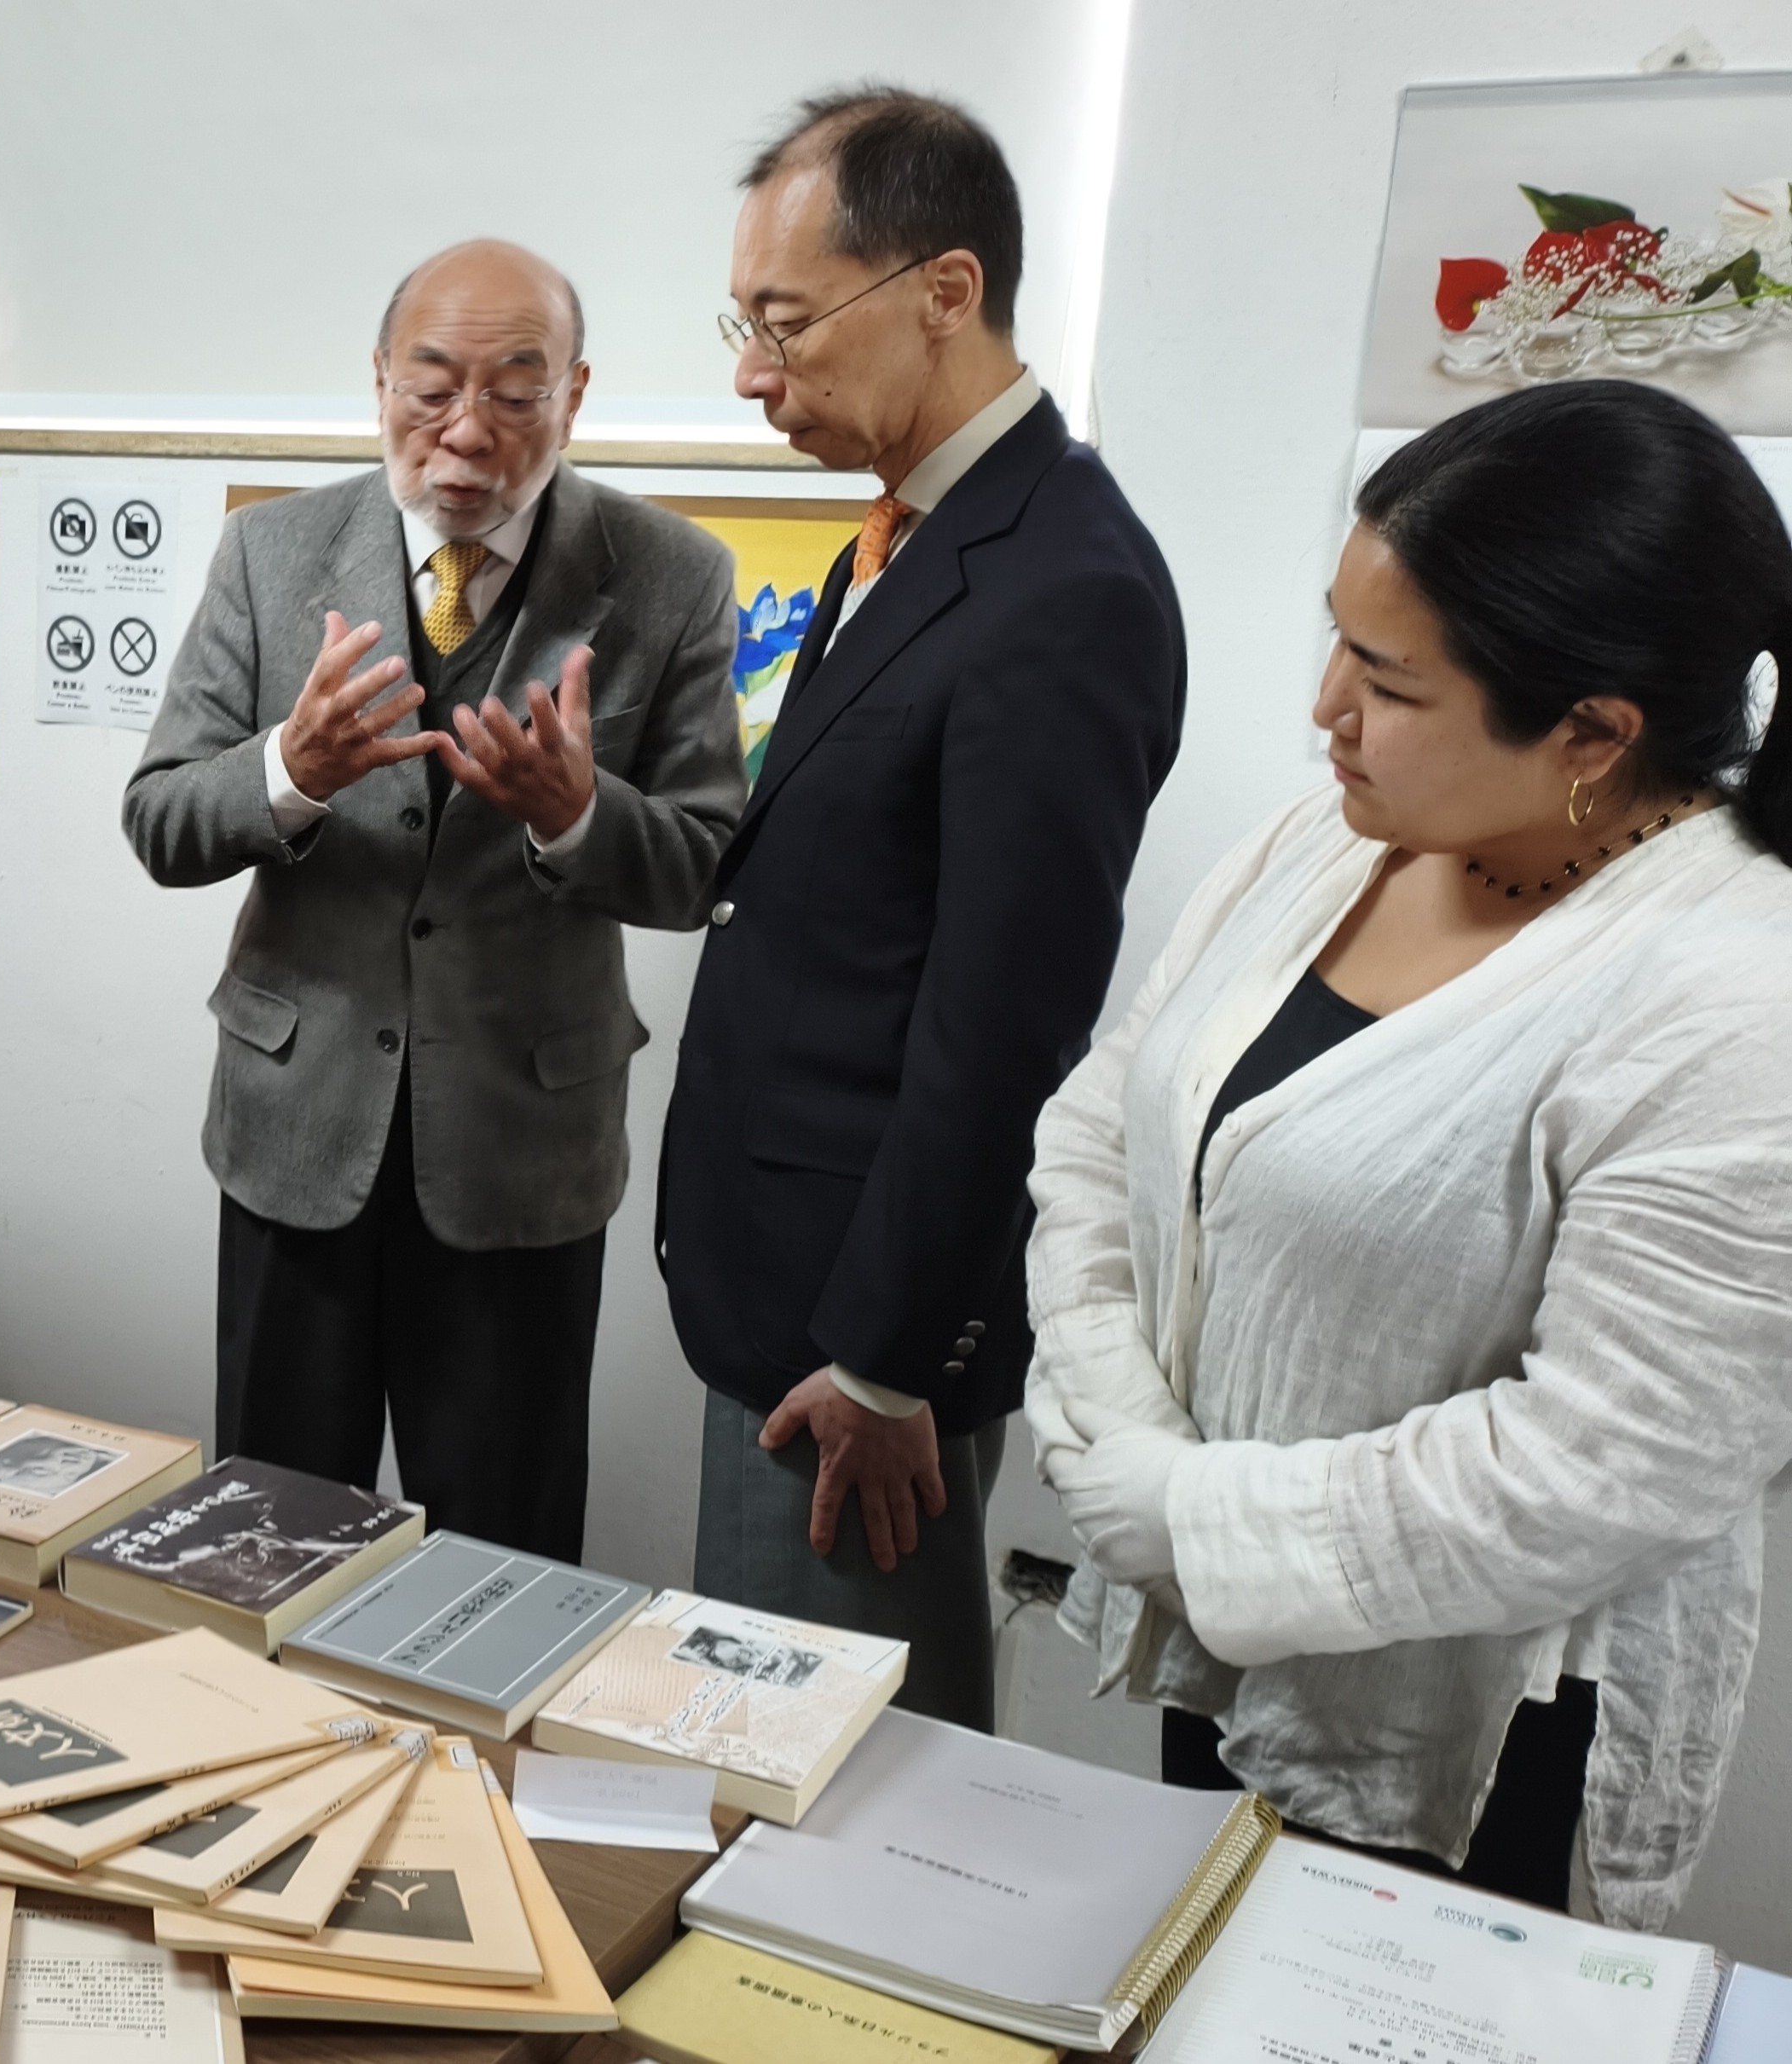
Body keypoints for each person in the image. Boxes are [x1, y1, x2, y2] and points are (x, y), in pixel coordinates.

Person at [1025, 379, 1792, 1928]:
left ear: (1591, 733)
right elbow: (1107, 1126)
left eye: (1383, 679)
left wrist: (1199, 1520)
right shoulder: (1324, 844)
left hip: (1470, 1750)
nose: (1324, 707)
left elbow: (1601, 1462)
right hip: (1229, 1643)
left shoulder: (1731, 995)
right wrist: (1123, 1434)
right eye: (1337, 639)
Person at [658, 86, 1186, 1729]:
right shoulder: (906, 536)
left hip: (856, 1336)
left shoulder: (1064, 584)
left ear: (944, 291)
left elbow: (1003, 1019)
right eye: (742, 327)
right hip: (788, 1287)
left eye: (785, 323)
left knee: (831, 1763)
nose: (753, 376)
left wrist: (886, 1361)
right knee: (754, 1732)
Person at [124, 240, 744, 1561]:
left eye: (515, 395)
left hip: (523, 1153)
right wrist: (287, 773)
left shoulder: (671, 574)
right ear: (379, 383)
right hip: (296, 1132)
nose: (466, 433)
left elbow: (703, 866)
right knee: (266, 1542)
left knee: (503, 1560)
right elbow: (160, 820)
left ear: (574, 394)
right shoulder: (269, 552)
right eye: (431, 389)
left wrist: (575, 813)